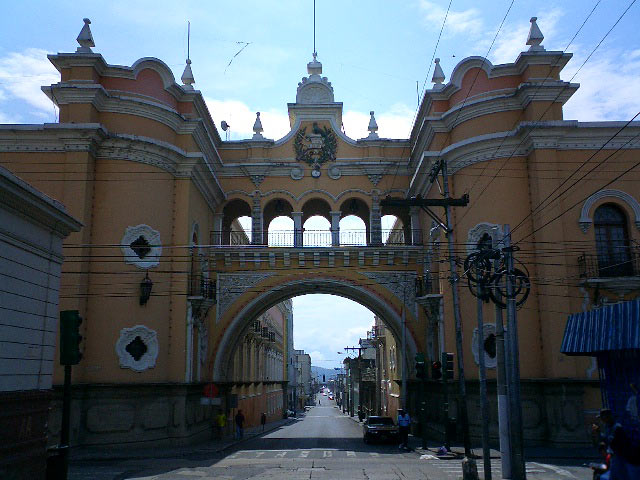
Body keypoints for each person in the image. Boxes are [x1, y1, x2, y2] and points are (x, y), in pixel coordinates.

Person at [592, 408, 640, 480]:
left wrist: (599, 433)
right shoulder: (608, 427)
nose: (602, 420)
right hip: (614, 457)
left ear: (607, 417)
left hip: (621, 457)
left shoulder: (616, 427)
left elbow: (610, 441)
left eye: (602, 417)